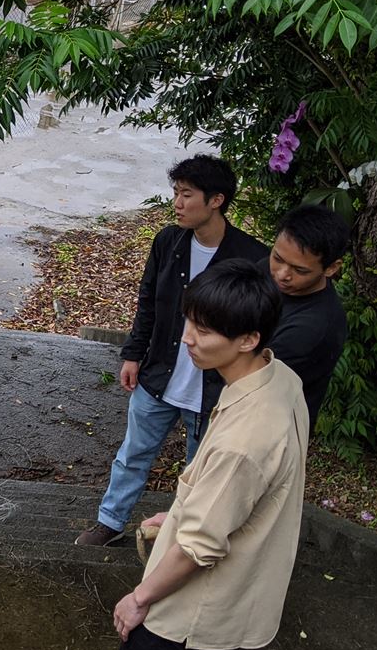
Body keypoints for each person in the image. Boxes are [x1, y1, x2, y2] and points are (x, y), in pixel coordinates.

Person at [92, 258, 307, 650]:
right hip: (237, 607)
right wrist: (187, 507)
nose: (188, 337)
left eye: (204, 330)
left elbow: (199, 545)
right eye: (190, 320)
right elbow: (243, 496)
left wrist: (140, 598)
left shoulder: (244, 438)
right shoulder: (281, 381)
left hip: (190, 613)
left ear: (248, 338)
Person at [76, 156, 268, 548]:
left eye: (186, 195)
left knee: (200, 470)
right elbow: (148, 301)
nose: (177, 203)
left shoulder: (251, 258)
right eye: (175, 194)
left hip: (212, 390)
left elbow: (257, 329)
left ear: (216, 200)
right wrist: (133, 354)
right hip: (160, 374)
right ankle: (110, 522)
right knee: (132, 454)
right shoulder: (168, 242)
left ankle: (182, 537)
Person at [199, 203, 350, 431]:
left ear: (331, 268)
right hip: (226, 407)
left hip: (262, 431)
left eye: (299, 270)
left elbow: (250, 379)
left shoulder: (314, 328)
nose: (282, 274)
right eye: (277, 258)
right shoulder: (265, 272)